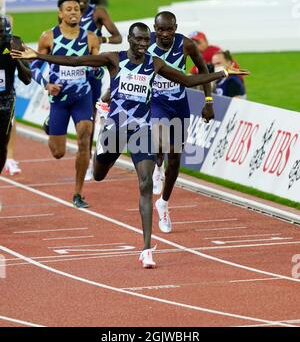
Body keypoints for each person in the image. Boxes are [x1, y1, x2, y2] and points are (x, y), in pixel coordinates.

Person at [11, 22, 249, 269]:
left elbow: (187, 80)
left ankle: (147, 248)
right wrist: (38, 55)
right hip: (115, 129)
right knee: (100, 174)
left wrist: (223, 74)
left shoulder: (154, 64)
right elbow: (77, 61)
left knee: (145, 184)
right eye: (139, 40)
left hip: (141, 131)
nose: (144, 44)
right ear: (130, 39)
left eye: (147, 40)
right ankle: (99, 148)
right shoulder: (114, 59)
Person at [30, 0, 100, 208]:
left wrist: (94, 70)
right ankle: (51, 122)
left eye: (77, 9)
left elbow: (97, 70)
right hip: (58, 99)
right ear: (60, 13)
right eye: (68, 9)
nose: (73, 12)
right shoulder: (48, 37)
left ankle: (78, 193)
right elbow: (34, 65)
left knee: (85, 135)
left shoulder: (90, 38)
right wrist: (46, 83)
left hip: (82, 97)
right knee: (58, 152)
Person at [147, 11, 214, 233]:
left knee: (175, 158)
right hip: (156, 102)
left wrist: (208, 100)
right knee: (159, 138)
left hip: (179, 104)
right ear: (154, 28)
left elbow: (203, 70)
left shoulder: (186, 45)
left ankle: (163, 203)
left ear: (175, 28)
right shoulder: (145, 45)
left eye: (169, 29)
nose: (165, 34)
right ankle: (157, 165)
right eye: (160, 29)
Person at [71, 0, 122, 181]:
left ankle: (90, 159)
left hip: (91, 71)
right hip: (72, 70)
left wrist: (101, 39)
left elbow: (117, 37)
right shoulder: (67, 12)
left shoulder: (97, 13)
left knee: (90, 116)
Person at [0, 16, 32, 175]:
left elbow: (26, 79)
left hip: (5, 102)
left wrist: (18, 60)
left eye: (2, 32)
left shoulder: (14, 43)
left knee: (2, 146)